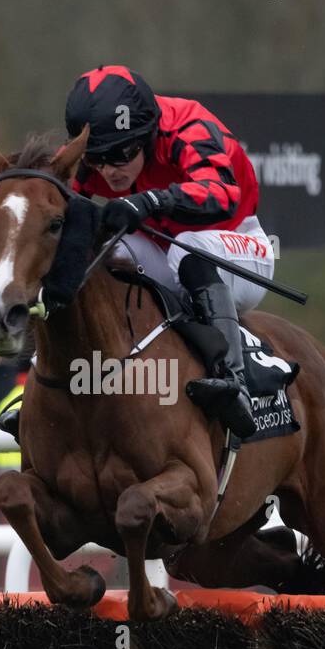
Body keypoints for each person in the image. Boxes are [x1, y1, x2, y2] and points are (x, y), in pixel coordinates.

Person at [65, 64, 273, 439]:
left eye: (121, 155)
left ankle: (233, 383)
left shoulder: (187, 125)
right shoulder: (92, 155)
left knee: (190, 249)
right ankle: (50, 383)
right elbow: (56, 208)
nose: (109, 171)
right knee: (101, 251)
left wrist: (150, 201)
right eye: (97, 159)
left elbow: (223, 194)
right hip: (163, 248)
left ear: (146, 135)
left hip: (237, 246)